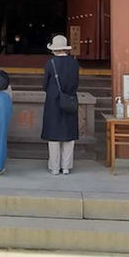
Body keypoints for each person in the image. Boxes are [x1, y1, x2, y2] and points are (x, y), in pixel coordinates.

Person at [41, 34, 79, 175]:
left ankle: (55, 166)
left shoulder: (50, 64)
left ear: (54, 49)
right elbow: (76, 83)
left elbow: (45, 84)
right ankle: (66, 166)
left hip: (53, 101)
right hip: (70, 99)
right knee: (69, 135)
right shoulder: (74, 63)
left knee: (54, 134)